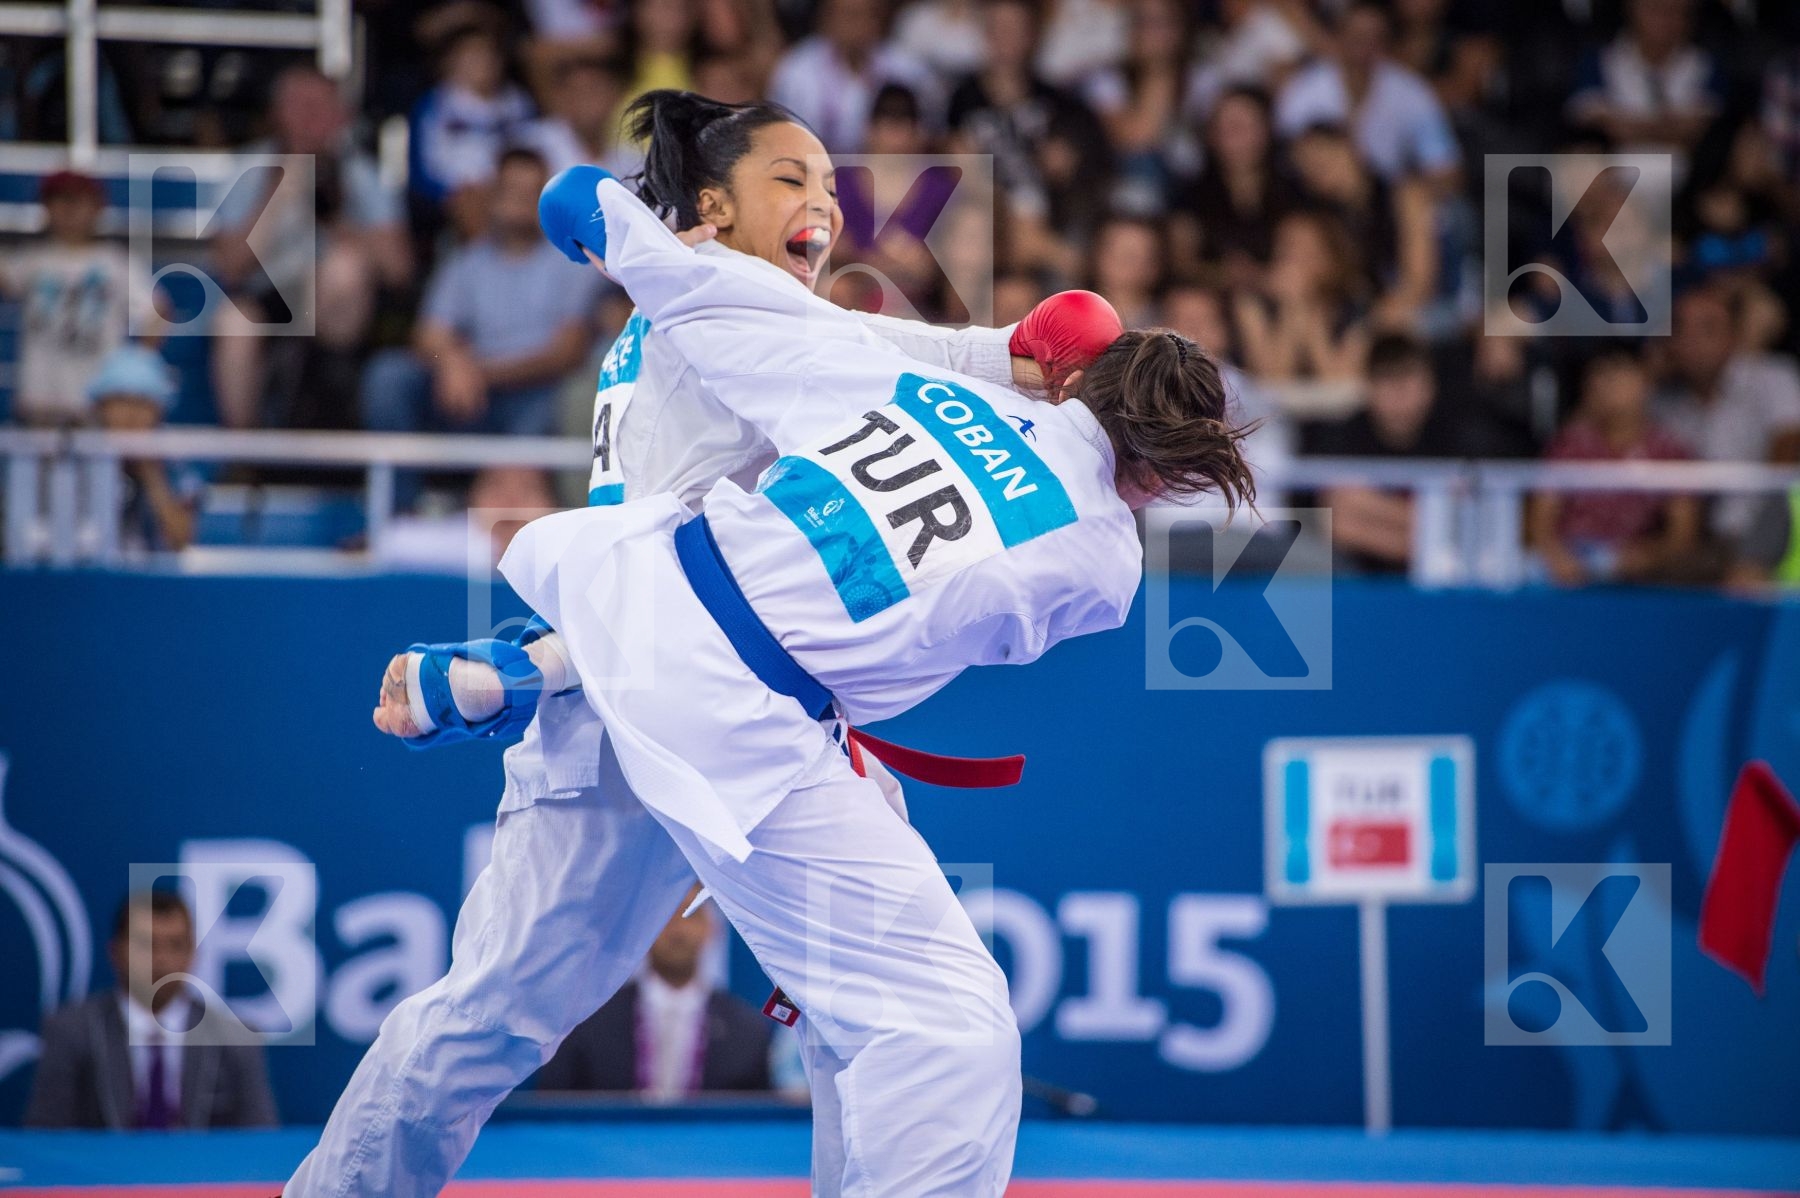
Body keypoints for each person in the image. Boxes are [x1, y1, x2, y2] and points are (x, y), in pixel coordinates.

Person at [325, 162, 1248, 1198]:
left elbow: (716, 305)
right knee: (945, 1021)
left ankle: (521, 673)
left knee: (486, 1017)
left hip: (643, 599)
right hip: (742, 721)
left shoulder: (891, 371)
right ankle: (521, 673)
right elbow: (950, 613)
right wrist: (1010, 378)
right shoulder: (1107, 557)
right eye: (794, 178)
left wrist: (607, 221)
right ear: (1169, 472)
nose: (820, 207)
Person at [361, 148, 604, 448]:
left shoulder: (574, 262)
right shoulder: (466, 263)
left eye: (530, 192)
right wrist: (448, 360)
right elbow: (428, 336)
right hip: (468, 393)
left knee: (560, 402)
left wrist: (480, 373)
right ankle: (395, 494)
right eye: (510, 189)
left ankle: (519, 492)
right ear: (493, 194)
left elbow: (567, 353)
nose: (518, 200)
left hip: (536, 391)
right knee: (389, 376)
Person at [25, 891, 277, 1129]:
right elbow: (46, 1138)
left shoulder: (235, 1037)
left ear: (193, 953)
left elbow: (258, 1140)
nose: (161, 958)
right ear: (116, 952)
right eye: (146, 944)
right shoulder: (72, 1032)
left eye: (175, 944)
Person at [534, 886, 773, 1096]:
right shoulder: (587, 1020)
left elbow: (760, 1124)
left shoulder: (748, 1031)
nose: (677, 930)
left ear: (711, 929)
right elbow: (554, 1114)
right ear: (641, 930)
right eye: (665, 916)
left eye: (691, 915)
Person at [1529, 345, 1699, 586]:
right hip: (1571, 559)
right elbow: (1540, 520)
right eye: (1600, 376)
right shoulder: (1568, 446)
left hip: (1638, 564)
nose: (1608, 386)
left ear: (1645, 382)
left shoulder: (1668, 450)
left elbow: (1682, 533)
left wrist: (1650, 556)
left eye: (1618, 375)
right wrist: (1557, 556)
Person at [0, 170, 156, 428]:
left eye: (79, 200)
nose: (70, 210)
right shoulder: (32, 259)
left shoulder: (116, 262)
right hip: (39, 402)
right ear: (46, 208)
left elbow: (156, 313)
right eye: (60, 200)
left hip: (97, 405)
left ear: (97, 207)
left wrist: (130, 374)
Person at [1274, 1, 1459, 191]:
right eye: (1357, 37)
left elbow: (1443, 165)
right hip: (1315, 197)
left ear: (1387, 44)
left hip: (1387, 201)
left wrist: (1414, 194)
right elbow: (1284, 158)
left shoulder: (1412, 93)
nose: (1364, 47)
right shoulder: (1304, 89)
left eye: (1374, 38)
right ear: (1339, 37)